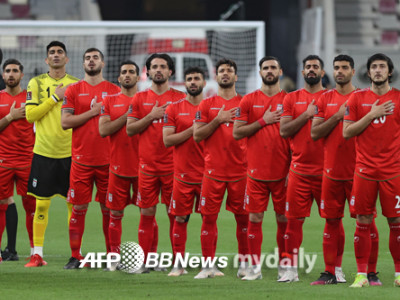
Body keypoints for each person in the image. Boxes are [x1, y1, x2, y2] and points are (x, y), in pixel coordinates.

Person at [310, 55, 380, 285]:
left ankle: (370, 273)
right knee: (331, 221)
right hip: (331, 171)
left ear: (353, 71)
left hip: (360, 171)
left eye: (344, 68)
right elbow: (315, 133)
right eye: (336, 68)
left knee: (367, 221)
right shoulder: (324, 98)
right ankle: (332, 271)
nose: (340, 71)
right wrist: (337, 116)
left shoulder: (364, 98)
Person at [343, 53, 400, 288]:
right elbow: (347, 132)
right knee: (363, 221)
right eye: (374, 67)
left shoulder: (398, 98)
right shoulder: (356, 99)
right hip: (364, 171)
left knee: (396, 221)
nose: (377, 70)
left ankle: (398, 274)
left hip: (393, 172)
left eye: (382, 67)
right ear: (368, 73)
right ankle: (361, 275)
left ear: (389, 72)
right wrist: (372, 114)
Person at [61, 48, 120, 269]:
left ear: (103, 63)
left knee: (110, 210)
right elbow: (65, 123)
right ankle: (75, 256)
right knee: (78, 209)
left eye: (95, 57)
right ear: (83, 63)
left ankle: (112, 257)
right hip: (81, 161)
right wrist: (93, 113)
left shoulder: (114, 91)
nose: (91, 61)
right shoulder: (73, 90)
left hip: (109, 161)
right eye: (87, 58)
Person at [233, 56, 290, 280]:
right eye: (265, 68)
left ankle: (285, 266)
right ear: (260, 72)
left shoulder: (288, 100)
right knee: (254, 218)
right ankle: (254, 268)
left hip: (283, 173)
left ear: (280, 71)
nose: (269, 71)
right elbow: (237, 132)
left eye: (273, 67)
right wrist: (263, 121)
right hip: (255, 172)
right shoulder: (248, 100)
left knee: (283, 220)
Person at [126, 53, 185, 273]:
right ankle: (146, 261)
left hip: (174, 167)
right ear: (148, 71)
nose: (158, 70)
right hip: (147, 167)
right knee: (147, 213)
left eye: (163, 66)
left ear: (171, 71)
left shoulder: (181, 98)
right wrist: (151, 116)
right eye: (154, 66)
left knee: (175, 214)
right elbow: (130, 129)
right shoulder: (139, 99)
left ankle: (177, 261)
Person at [24, 41, 79, 267]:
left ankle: (76, 254)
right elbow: (30, 116)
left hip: (70, 154)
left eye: (60, 52)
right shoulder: (35, 82)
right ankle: (37, 255)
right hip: (44, 153)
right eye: (52, 53)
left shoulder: (77, 85)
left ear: (67, 59)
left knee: (73, 206)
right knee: (41, 206)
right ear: (46, 60)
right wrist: (55, 98)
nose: (56, 56)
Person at [193, 58, 248, 279]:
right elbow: (197, 135)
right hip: (212, 171)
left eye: (230, 71)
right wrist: (218, 120)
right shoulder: (206, 105)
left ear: (236, 76)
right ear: (216, 76)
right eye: (222, 71)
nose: (225, 74)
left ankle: (245, 265)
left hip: (241, 172)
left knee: (243, 220)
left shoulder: (245, 103)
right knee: (208, 219)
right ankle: (208, 266)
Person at [278, 55, 326, 282]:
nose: (311, 69)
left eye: (315, 66)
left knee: (334, 221)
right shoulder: (291, 98)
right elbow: (284, 130)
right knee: (293, 222)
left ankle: (333, 269)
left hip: (328, 172)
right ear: (302, 71)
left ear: (323, 72)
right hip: (299, 171)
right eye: (307, 66)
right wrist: (306, 115)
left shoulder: (331, 97)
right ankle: (290, 269)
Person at [163, 67, 206, 276]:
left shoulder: (213, 108)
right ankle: (178, 264)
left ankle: (209, 265)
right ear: (184, 83)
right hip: (182, 175)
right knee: (180, 219)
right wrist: (194, 129)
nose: (193, 82)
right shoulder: (174, 108)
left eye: (197, 78)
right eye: (189, 79)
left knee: (210, 219)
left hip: (209, 175)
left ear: (204, 82)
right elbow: (167, 140)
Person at [98, 60, 140, 269]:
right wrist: (129, 115)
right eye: (124, 72)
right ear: (118, 77)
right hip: (118, 167)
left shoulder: (146, 100)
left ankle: (149, 258)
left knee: (147, 213)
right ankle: (114, 258)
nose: (127, 75)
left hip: (144, 169)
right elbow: (103, 130)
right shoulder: (109, 101)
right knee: (115, 214)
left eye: (131, 72)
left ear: (138, 77)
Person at [0, 59, 35, 262]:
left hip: (28, 161)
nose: (11, 74)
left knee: (31, 205)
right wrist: (10, 117)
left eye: (15, 71)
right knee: (3, 203)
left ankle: (34, 251)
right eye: (7, 71)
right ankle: (10, 250)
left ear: (22, 75)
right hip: (3, 160)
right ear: (3, 76)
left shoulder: (31, 100)